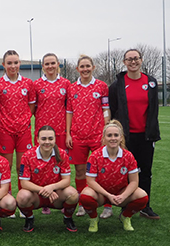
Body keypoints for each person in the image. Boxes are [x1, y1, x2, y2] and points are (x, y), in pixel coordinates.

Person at [108, 48, 160, 219]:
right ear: (124, 62)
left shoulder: (151, 82)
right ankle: (126, 206)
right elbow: (114, 109)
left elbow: (153, 109)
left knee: (145, 171)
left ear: (141, 60)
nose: (133, 62)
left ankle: (145, 206)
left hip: (145, 136)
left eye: (136, 58)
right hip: (126, 136)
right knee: (126, 172)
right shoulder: (117, 85)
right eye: (129, 59)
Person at [80, 120, 148, 232]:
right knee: (85, 196)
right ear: (104, 138)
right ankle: (93, 219)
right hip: (101, 194)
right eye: (109, 135)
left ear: (121, 138)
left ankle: (125, 216)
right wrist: (108, 195)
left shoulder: (128, 156)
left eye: (116, 135)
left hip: (120, 192)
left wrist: (124, 196)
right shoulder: (95, 155)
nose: (113, 138)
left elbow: (134, 182)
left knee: (142, 196)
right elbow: (90, 181)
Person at [65, 55, 111, 218]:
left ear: (93, 67)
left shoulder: (101, 86)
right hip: (78, 136)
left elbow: (105, 108)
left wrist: (106, 130)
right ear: (77, 69)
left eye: (87, 66)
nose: (85, 69)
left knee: (102, 170)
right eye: (82, 67)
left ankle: (107, 204)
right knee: (80, 171)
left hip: (98, 135)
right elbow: (69, 111)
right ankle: (82, 204)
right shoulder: (71, 88)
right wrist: (69, 133)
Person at [16, 125, 78, 232]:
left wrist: (52, 187)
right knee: (22, 196)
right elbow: (24, 183)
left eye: (50, 138)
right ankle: (29, 218)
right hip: (36, 196)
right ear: (37, 139)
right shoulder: (27, 156)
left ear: (55, 139)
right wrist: (43, 190)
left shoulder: (62, 154)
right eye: (43, 139)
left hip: (56, 196)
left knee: (73, 194)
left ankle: (68, 218)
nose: (47, 142)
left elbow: (66, 180)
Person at [32, 53, 70, 215]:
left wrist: (68, 132)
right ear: (43, 66)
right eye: (47, 64)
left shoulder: (66, 83)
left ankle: (60, 199)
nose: (50, 66)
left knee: (59, 164)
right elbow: (33, 109)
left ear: (58, 64)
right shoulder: (37, 84)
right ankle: (43, 200)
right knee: (41, 166)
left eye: (52, 63)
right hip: (42, 132)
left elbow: (69, 109)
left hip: (60, 131)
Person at [0, 50, 35, 198]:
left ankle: (23, 197)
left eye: (16, 62)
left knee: (21, 167)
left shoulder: (28, 83)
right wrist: (4, 122)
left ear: (20, 64)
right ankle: (7, 196)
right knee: (6, 166)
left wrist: (24, 120)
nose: (13, 66)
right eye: (9, 63)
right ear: (4, 65)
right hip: (5, 131)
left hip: (24, 131)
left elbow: (31, 106)